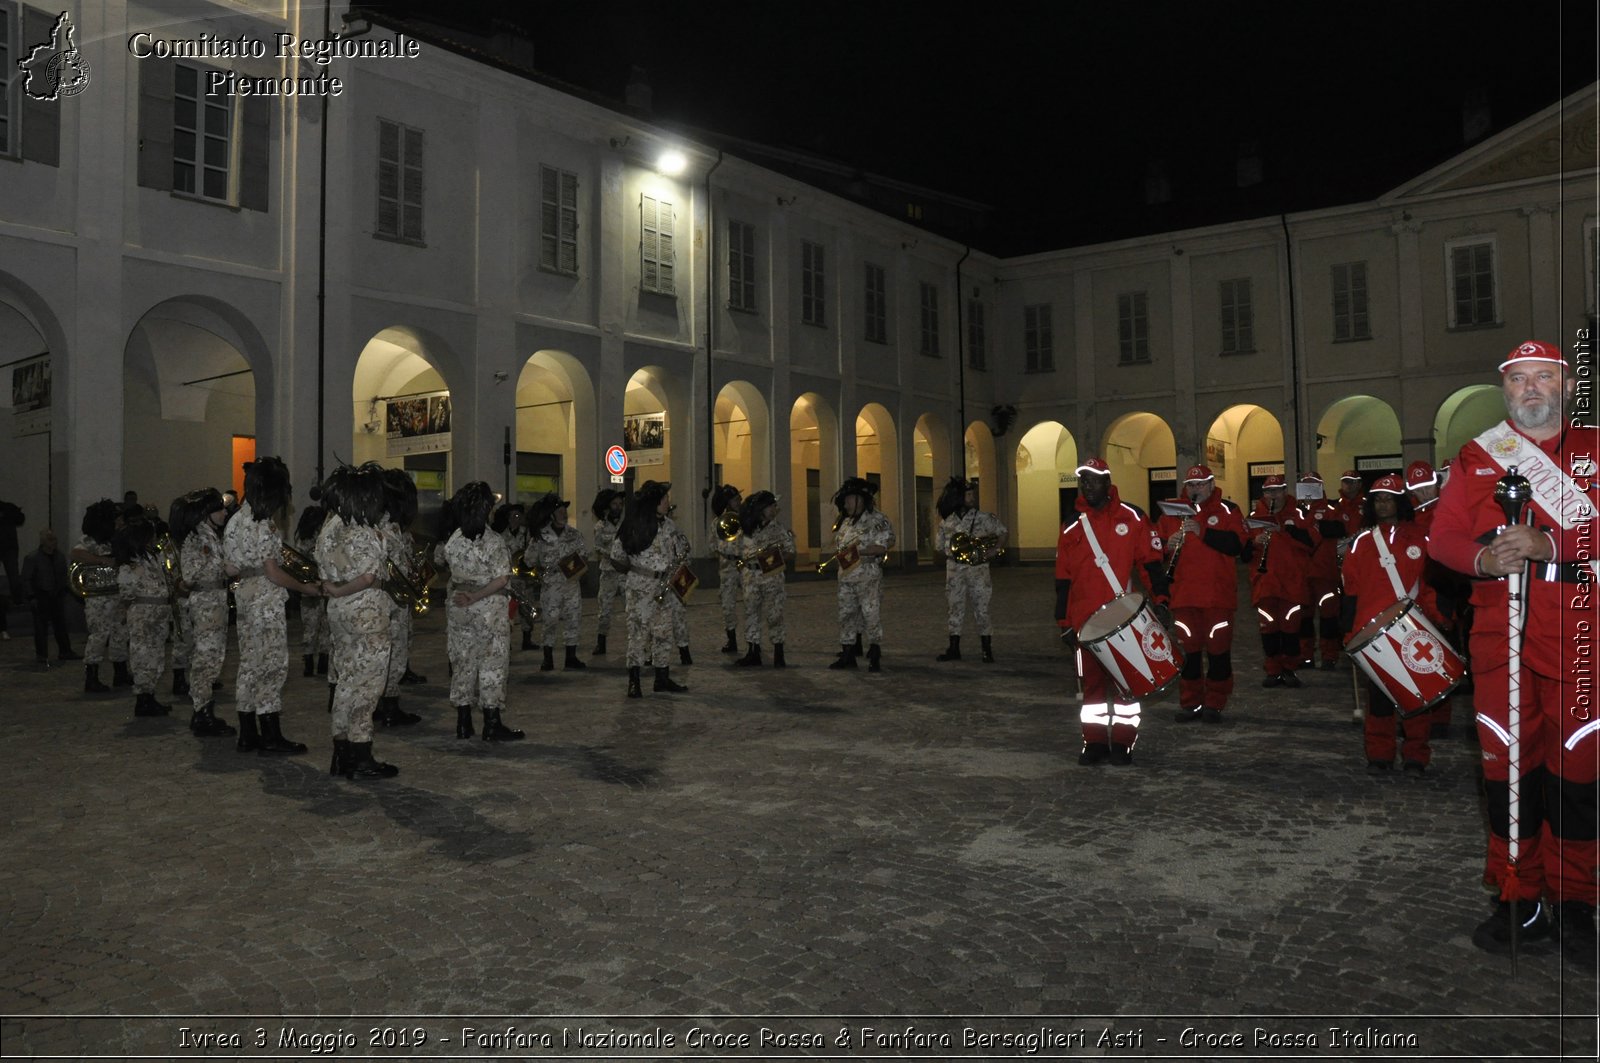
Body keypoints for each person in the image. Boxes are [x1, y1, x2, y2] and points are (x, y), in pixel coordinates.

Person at [1429, 339, 1598, 964]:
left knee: (1578, 777)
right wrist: (1479, 557)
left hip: (1584, 636)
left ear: (1567, 386)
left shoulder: (1597, 449)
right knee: (1508, 775)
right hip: (1499, 634)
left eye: (1543, 378)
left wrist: (1550, 543)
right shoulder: (1477, 457)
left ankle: (1577, 902)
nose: (1530, 389)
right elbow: (1443, 537)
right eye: (1517, 379)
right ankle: (1517, 896)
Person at [1054, 457, 1168, 765]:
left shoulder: (1133, 517)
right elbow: (1062, 578)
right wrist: (1064, 621)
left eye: (1094, 479)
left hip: (1122, 620)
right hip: (1084, 621)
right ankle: (1093, 743)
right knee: (1090, 689)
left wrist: (1162, 599)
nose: (1088, 486)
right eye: (1084, 480)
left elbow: (1150, 563)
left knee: (1125, 686)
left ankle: (1122, 742)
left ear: (1108, 481)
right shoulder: (1071, 525)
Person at [1340, 474, 1447, 773]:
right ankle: (1380, 753)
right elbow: (1351, 589)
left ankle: (1416, 754)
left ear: (1401, 502)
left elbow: (1432, 584)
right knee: (1380, 699)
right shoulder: (1361, 542)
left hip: (1415, 627)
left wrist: (1439, 618)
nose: (1383, 503)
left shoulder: (1422, 538)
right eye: (1378, 498)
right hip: (1373, 632)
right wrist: (1348, 630)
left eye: (1389, 497)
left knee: (1417, 696)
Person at [223, 456, 324, 754]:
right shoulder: (262, 523)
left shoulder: (235, 520)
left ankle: (247, 733)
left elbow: (229, 567)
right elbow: (273, 571)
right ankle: (270, 735)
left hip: (244, 595)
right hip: (265, 599)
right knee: (272, 666)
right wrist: (303, 587)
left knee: (249, 665)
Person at [317, 464, 400, 778]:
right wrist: (342, 589)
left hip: (340, 613)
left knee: (346, 681)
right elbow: (367, 576)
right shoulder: (362, 531)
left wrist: (336, 591)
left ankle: (341, 752)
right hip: (366, 613)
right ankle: (361, 753)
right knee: (367, 685)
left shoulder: (331, 526)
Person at [1158, 464, 1244, 723]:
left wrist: (1202, 530)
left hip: (1217, 597)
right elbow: (1151, 547)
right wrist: (1165, 545)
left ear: (1211, 484)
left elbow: (1236, 545)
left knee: (1218, 653)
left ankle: (1215, 703)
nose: (1196, 489)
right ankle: (1191, 703)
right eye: (1192, 485)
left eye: (1202, 484)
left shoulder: (1228, 510)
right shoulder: (1172, 512)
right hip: (1184, 596)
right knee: (1189, 655)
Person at [445, 481, 523, 740]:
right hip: (487, 607)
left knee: (462, 661)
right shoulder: (493, 541)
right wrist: (476, 596)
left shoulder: (454, 539)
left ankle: (463, 722)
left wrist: (465, 595)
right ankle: (492, 723)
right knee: (491, 662)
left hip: (458, 606)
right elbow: (501, 579)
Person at [611, 480, 686, 698]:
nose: (668, 502)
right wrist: (636, 572)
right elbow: (616, 556)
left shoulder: (669, 525)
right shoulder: (633, 524)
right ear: (654, 502)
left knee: (663, 632)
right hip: (641, 586)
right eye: (664, 499)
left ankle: (662, 677)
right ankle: (634, 680)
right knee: (638, 633)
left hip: (665, 586)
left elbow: (680, 551)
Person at [1406, 458, 1464, 738]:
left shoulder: (1448, 512)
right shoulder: (1408, 518)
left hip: (1440, 595)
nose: (1423, 494)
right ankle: (1416, 717)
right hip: (1413, 598)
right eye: (1417, 489)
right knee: (1414, 661)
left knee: (1441, 660)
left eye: (1427, 487)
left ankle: (1440, 720)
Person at [170, 489, 234, 737]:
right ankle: (202, 711)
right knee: (206, 657)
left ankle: (205, 709)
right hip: (206, 601)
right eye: (219, 509)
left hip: (214, 600)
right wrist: (226, 568)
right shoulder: (197, 537)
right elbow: (191, 574)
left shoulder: (209, 535)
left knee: (213, 656)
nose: (224, 512)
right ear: (206, 514)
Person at [1245, 475, 1319, 688]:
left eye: (1277, 491)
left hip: (1292, 582)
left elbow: (1312, 542)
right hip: (1264, 583)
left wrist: (1285, 531)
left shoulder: (1299, 514)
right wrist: (1254, 542)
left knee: (1290, 628)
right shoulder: (1254, 516)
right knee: (1268, 629)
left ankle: (1290, 669)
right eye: (1269, 492)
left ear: (1284, 491)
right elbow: (1242, 550)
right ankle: (1272, 670)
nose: (1273, 495)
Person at [933, 477, 1008, 663]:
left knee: (981, 609)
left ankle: (986, 649)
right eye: (968, 494)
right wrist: (952, 551)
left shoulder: (982, 518)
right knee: (954, 608)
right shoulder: (947, 522)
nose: (972, 497)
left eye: (972, 494)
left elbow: (1002, 531)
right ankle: (954, 647)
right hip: (954, 570)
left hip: (978, 569)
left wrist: (995, 549)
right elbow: (938, 545)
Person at [826, 477, 895, 672]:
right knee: (846, 614)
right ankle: (848, 653)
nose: (846, 503)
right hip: (846, 574)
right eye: (845, 499)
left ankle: (874, 651)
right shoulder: (845, 523)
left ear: (861, 499)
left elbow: (882, 546)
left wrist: (859, 551)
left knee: (870, 614)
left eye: (850, 499)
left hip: (867, 573)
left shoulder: (877, 520)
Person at [375, 469, 423, 728]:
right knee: (391, 654)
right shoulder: (383, 526)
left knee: (394, 653)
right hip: (388, 600)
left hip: (395, 600)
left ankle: (386, 704)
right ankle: (388, 707)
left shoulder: (390, 525)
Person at [113, 517, 172, 717]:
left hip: (159, 614)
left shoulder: (152, 556)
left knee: (156, 654)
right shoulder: (130, 563)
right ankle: (143, 698)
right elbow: (126, 590)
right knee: (142, 655)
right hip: (143, 614)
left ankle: (150, 694)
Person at [527, 492, 588, 672]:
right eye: (560, 510)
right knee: (550, 621)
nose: (563, 513)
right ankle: (548, 658)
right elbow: (530, 559)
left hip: (571, 584)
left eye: (564, 510)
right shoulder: (541, 536)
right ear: (551, 514)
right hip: (551, 585)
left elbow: (584, 555)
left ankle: (571, 657)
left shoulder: (574, 534)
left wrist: (577, 565)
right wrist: (538, 569)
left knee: (573, 619)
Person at [734, 489, 795, 667]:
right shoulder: (746, 528)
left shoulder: (778, 528)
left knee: (774, 614)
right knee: (751, 613)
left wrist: (775, 554)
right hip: (750, 575)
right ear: (762, 508)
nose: (775, 509)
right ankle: (753, 651)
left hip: (771, 575)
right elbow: (737, 550)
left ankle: (778, 651)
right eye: (771, 506)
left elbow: (791, 551)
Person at [71, 499, 127, 693]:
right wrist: (103, 560)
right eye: (116, 519)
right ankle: (91, 678)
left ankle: (120, 673)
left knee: (120, 634)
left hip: (117, 597)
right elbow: (76, 554)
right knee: (99, 636)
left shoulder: (117, 539)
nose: (120, 523)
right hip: (98, 600)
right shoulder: (90, 540)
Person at [1300, 472, 1353, 671]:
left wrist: (1316, 525)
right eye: (1305, 485)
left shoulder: (1332, 508)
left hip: (1325, 573)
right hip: (1302, 573)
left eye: (1313, 485)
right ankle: (1305, 655)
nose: (1309, 490)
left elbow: (1341, 528)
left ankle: (1329, 655)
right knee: (1303, 617)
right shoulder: (1296, 510)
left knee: (1328, 617)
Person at [20, 528, 76, 666]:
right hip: (41, 595)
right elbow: (27, 578)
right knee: (40, 627)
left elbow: (63, 575)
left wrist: (64, 589)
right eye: (50, 539)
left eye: (54, 539)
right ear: (43, 542)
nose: (53, 542)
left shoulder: (59, 557)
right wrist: (31, 596)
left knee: (60, 625)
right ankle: (42, 654)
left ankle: (65, 650)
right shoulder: (33, 558)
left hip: (56, 594)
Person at [294, 504, 330, 678]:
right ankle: (317, 662)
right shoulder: (314, 538)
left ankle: (314, 663)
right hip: (316, 586)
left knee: (314, 627)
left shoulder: (303, 538)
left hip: (313, 588)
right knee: (319, 627)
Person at [710, 484, 745, 654]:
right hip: (727, 567)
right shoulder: (718, 523)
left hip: (746, 565)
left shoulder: (746, 519)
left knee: (753, 602)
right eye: (735, 499)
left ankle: (754, 640)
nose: (739, 501)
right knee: (728, 604)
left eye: (739, 498)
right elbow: (712, 545)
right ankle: (732, 640)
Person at [590, 489, 625, 655]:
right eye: (614, 504)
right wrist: (611, 555)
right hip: (609, 571)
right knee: (604, 608)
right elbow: (597, 546)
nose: (618, 507)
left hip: (625, 571)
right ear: (607, 507)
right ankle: (601, 642)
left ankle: (639, 642)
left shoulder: (626, 524)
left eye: (620, 504)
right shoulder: (600, 526)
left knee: (631, 607)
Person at [0, 497, 22, 641]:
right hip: (9, 547)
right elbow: (20, 519)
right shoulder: (9, 508)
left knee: (13, 575)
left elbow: (20, 519)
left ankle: (17, 598)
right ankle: (17, 599)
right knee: (13, 574)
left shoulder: (8, 509)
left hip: (8, 547)